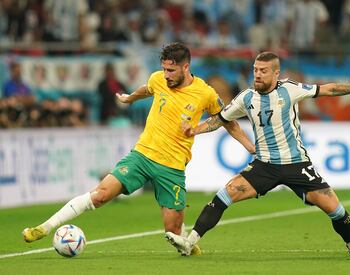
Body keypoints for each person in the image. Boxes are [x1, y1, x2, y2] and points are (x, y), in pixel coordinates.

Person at [22, 43, 255, 255]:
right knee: (101, 194)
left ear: (186, 67)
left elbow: (225, 120)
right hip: (142, 155)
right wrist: (130, 98)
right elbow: (148, 88)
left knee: (173, 233)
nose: (166, 75)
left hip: (172, 167)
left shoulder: (205, 93)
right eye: (164, 69)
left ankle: (186, 243)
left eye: (171, 71)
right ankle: (44, 228)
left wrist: (246, 146)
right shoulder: (159, 79)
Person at [165, 52, 350, 256]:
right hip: (265, 165)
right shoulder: (247, 98)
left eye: (263, 71)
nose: (257, 74)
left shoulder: (290, 89)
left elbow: (328, 89)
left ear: (276, 73)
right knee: (225, 195)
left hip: (296, 164)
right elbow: (221, 119)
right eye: (255, 70)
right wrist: (195, 130)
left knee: (335, 209)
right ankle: (189, 242)